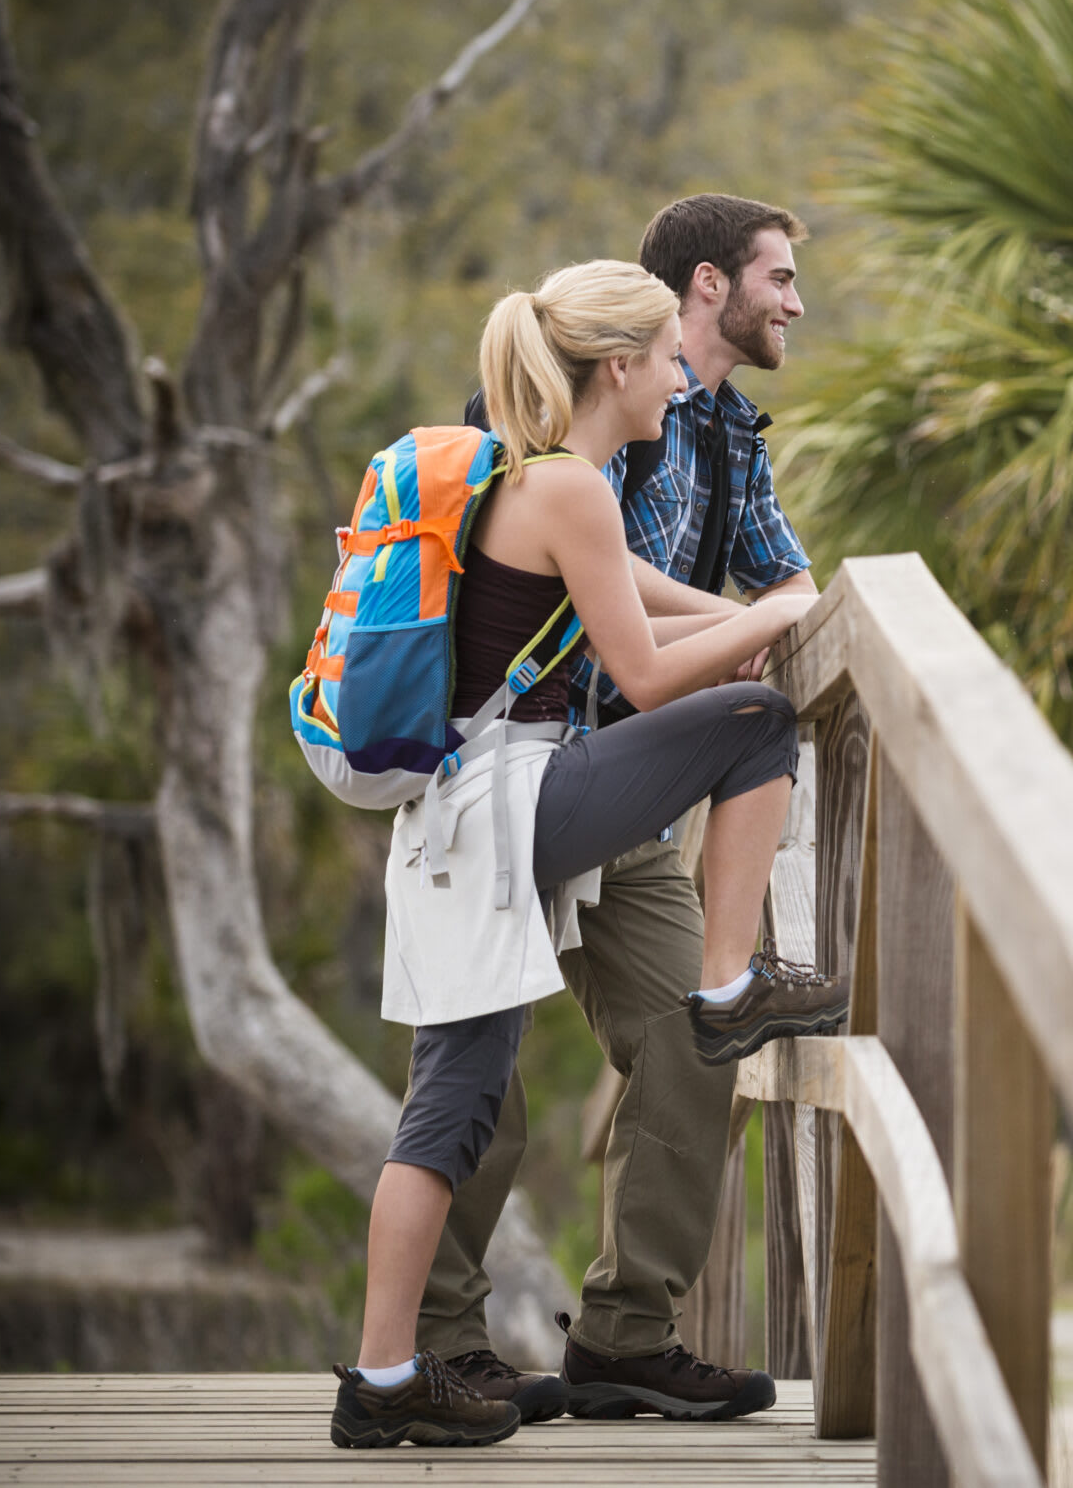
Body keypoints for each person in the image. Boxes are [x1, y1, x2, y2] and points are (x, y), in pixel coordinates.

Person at [330, 260, 847, 1450]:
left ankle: (388, 1373)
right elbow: (649, 675)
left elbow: (634, 606)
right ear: (619, 366)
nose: (680, 378)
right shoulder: (569, 483)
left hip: (483, 817)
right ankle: (726, 983)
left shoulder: (540, 473)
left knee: (451, 1108)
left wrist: (742, 613)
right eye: (668, 357)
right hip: (505, 804)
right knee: (754, 721)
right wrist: (772, 617)